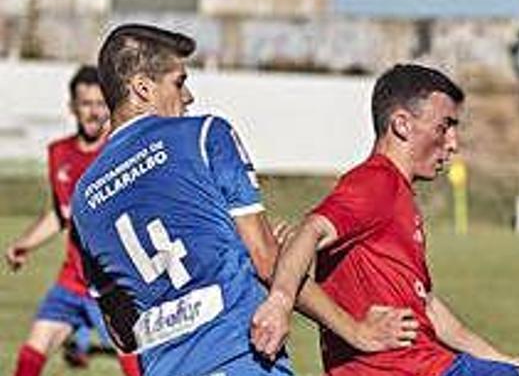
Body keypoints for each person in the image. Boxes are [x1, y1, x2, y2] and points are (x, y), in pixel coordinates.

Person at [70, 24, 416, 376]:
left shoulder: (83, 199)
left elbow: (124, 335)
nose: (188, 96)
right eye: (178, 82)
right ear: (142, 88)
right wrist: (356, 330)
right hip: (238, 359)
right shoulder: (204, 136)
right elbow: (265, 261)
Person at [251, 64, 519, 375]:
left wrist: (500, 360)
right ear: (402, 125)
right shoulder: (376, 181)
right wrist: (280, 301)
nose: (453, 143)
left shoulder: (399, 195)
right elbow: (312, 229)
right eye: (444, 126)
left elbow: (428, 306)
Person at [6, 65, 141, 376]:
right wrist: (25, 244)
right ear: (72, 108)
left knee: (137, 369)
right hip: (71, 283)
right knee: (29, 358)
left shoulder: (121, 153)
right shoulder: (59, 153)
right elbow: (60, 211)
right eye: (85, 104)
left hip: (115, 286)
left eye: (99, 104)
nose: (93, 113)